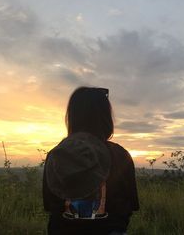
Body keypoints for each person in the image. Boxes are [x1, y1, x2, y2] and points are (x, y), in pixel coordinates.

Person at [43, 87, 139, 235]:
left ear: (72, 117)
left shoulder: (56, 154)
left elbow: (50, 204)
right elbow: (130, 204)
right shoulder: (121, 155)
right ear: (105, 117)